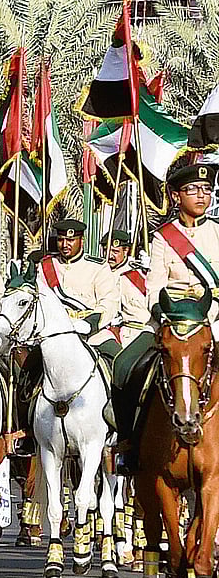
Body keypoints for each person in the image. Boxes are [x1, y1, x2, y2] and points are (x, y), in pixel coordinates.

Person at [115, 163, 219, 474]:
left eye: (206, 190)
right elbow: (155, 287)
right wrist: (164, 315)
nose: (201, 195)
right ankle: (128, 444)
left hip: (211, 315)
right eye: (192, 190)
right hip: (171, 318)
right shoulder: (162, 238)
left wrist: (208, 313)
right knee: (124, 367)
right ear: (176, 196)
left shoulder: (217, 232)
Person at [40, 219, 121, 362]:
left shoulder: (98, 267)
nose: (65, 245)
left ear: (81, 240)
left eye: (70, 240)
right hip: (54, 334)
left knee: (120, 364)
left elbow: (110, 302)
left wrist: (90, 323)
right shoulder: (45, 266)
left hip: (92, 334)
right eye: (61, 240)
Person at [102, 229, 149, 349]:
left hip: (141, 331)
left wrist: (151, 271)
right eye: (106, 251)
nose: (110, 256)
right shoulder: (98, 270)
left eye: (115, 251)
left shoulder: (137, 271)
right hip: (117, 334)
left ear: (126, 251)